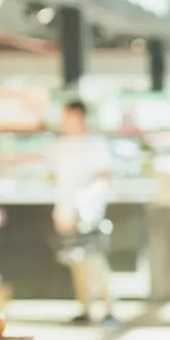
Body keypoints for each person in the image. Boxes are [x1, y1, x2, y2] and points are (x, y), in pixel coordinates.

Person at [50, 100, 115, 324]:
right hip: (66, 213)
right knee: (76, 261)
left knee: (95, 260)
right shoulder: (60, 146)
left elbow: (103, 177)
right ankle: (85, 307)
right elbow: (60, 182)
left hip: (90, 213)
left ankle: (108, 308)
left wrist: (85, 205)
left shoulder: (95, 145)